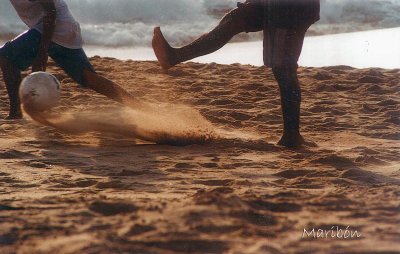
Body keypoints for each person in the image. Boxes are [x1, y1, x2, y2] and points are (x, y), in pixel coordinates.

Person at [152, 0, 320, 148]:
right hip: (271, 5)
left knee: (284, 69)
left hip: (291, 10)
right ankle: (174, 56)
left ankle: (292, 136)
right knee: (235, 19)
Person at [0, 0, 139, 120]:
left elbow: (51, 12)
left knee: (5, 56)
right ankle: (141, 107)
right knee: (89, 78)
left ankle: (16, 112)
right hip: (59, 30)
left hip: (57, 27)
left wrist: (42, 51)